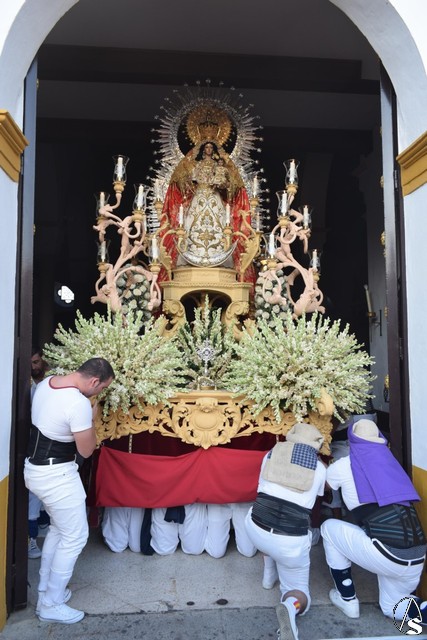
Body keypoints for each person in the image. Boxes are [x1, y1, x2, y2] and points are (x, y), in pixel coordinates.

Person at [24, 357, 114, 624]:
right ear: (94, 381)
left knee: (59, 530)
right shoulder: (77, 403)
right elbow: (86, 450)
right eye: (102, 388)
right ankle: (51, 604)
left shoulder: (47, 384)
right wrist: (92, 419)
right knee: (75, 537)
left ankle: (46, 591)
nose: (99, 393)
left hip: (35, 469)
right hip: (57, 476)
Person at [321, 419, 427, 627]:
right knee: (391, 607)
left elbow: (324, 486)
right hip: (416, 558)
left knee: (328, 528)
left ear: (352, 439)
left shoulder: (345, 464)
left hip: (387, 555)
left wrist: (322, 466)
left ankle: (347, 598)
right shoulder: (392, 464)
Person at [245, 423, 326, 640]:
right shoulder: (319, 469)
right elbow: (317, 496)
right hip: (289, 543)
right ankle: (291, 606)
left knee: (265, 511)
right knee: (299, 592)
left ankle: (268, 576)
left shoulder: (271, 454)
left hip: (255, 529)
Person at [28, 346, 50, 559]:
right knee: (33, 495)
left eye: (35, 362)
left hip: (47, 443)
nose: (33, 367)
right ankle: (30, 540)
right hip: (29, 443)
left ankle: (41, 524)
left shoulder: (51, 381)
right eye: (30, 363)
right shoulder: (24, 383)